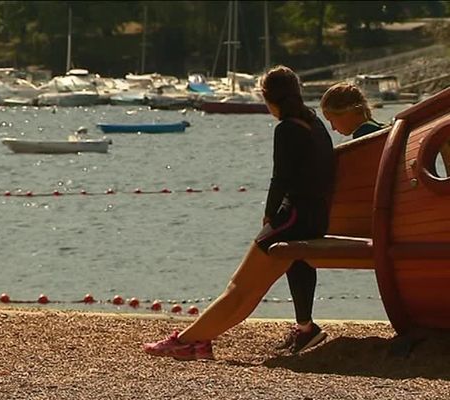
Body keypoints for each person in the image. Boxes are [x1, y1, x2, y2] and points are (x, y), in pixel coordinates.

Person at [143, 65, 335, 361]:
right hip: (316, 219)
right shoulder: (315, 122)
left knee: (240, 288)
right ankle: (200, 339)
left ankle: (184, 341)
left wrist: (269, 217)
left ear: (269, 98)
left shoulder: (287, 128)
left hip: (293, 219)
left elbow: (280, 179)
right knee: (251, 290)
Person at [320, 82, 386, 139]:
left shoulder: (364, 134)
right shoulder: (380, 129)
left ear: (348, 111)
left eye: (331, 120)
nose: (333, 128)